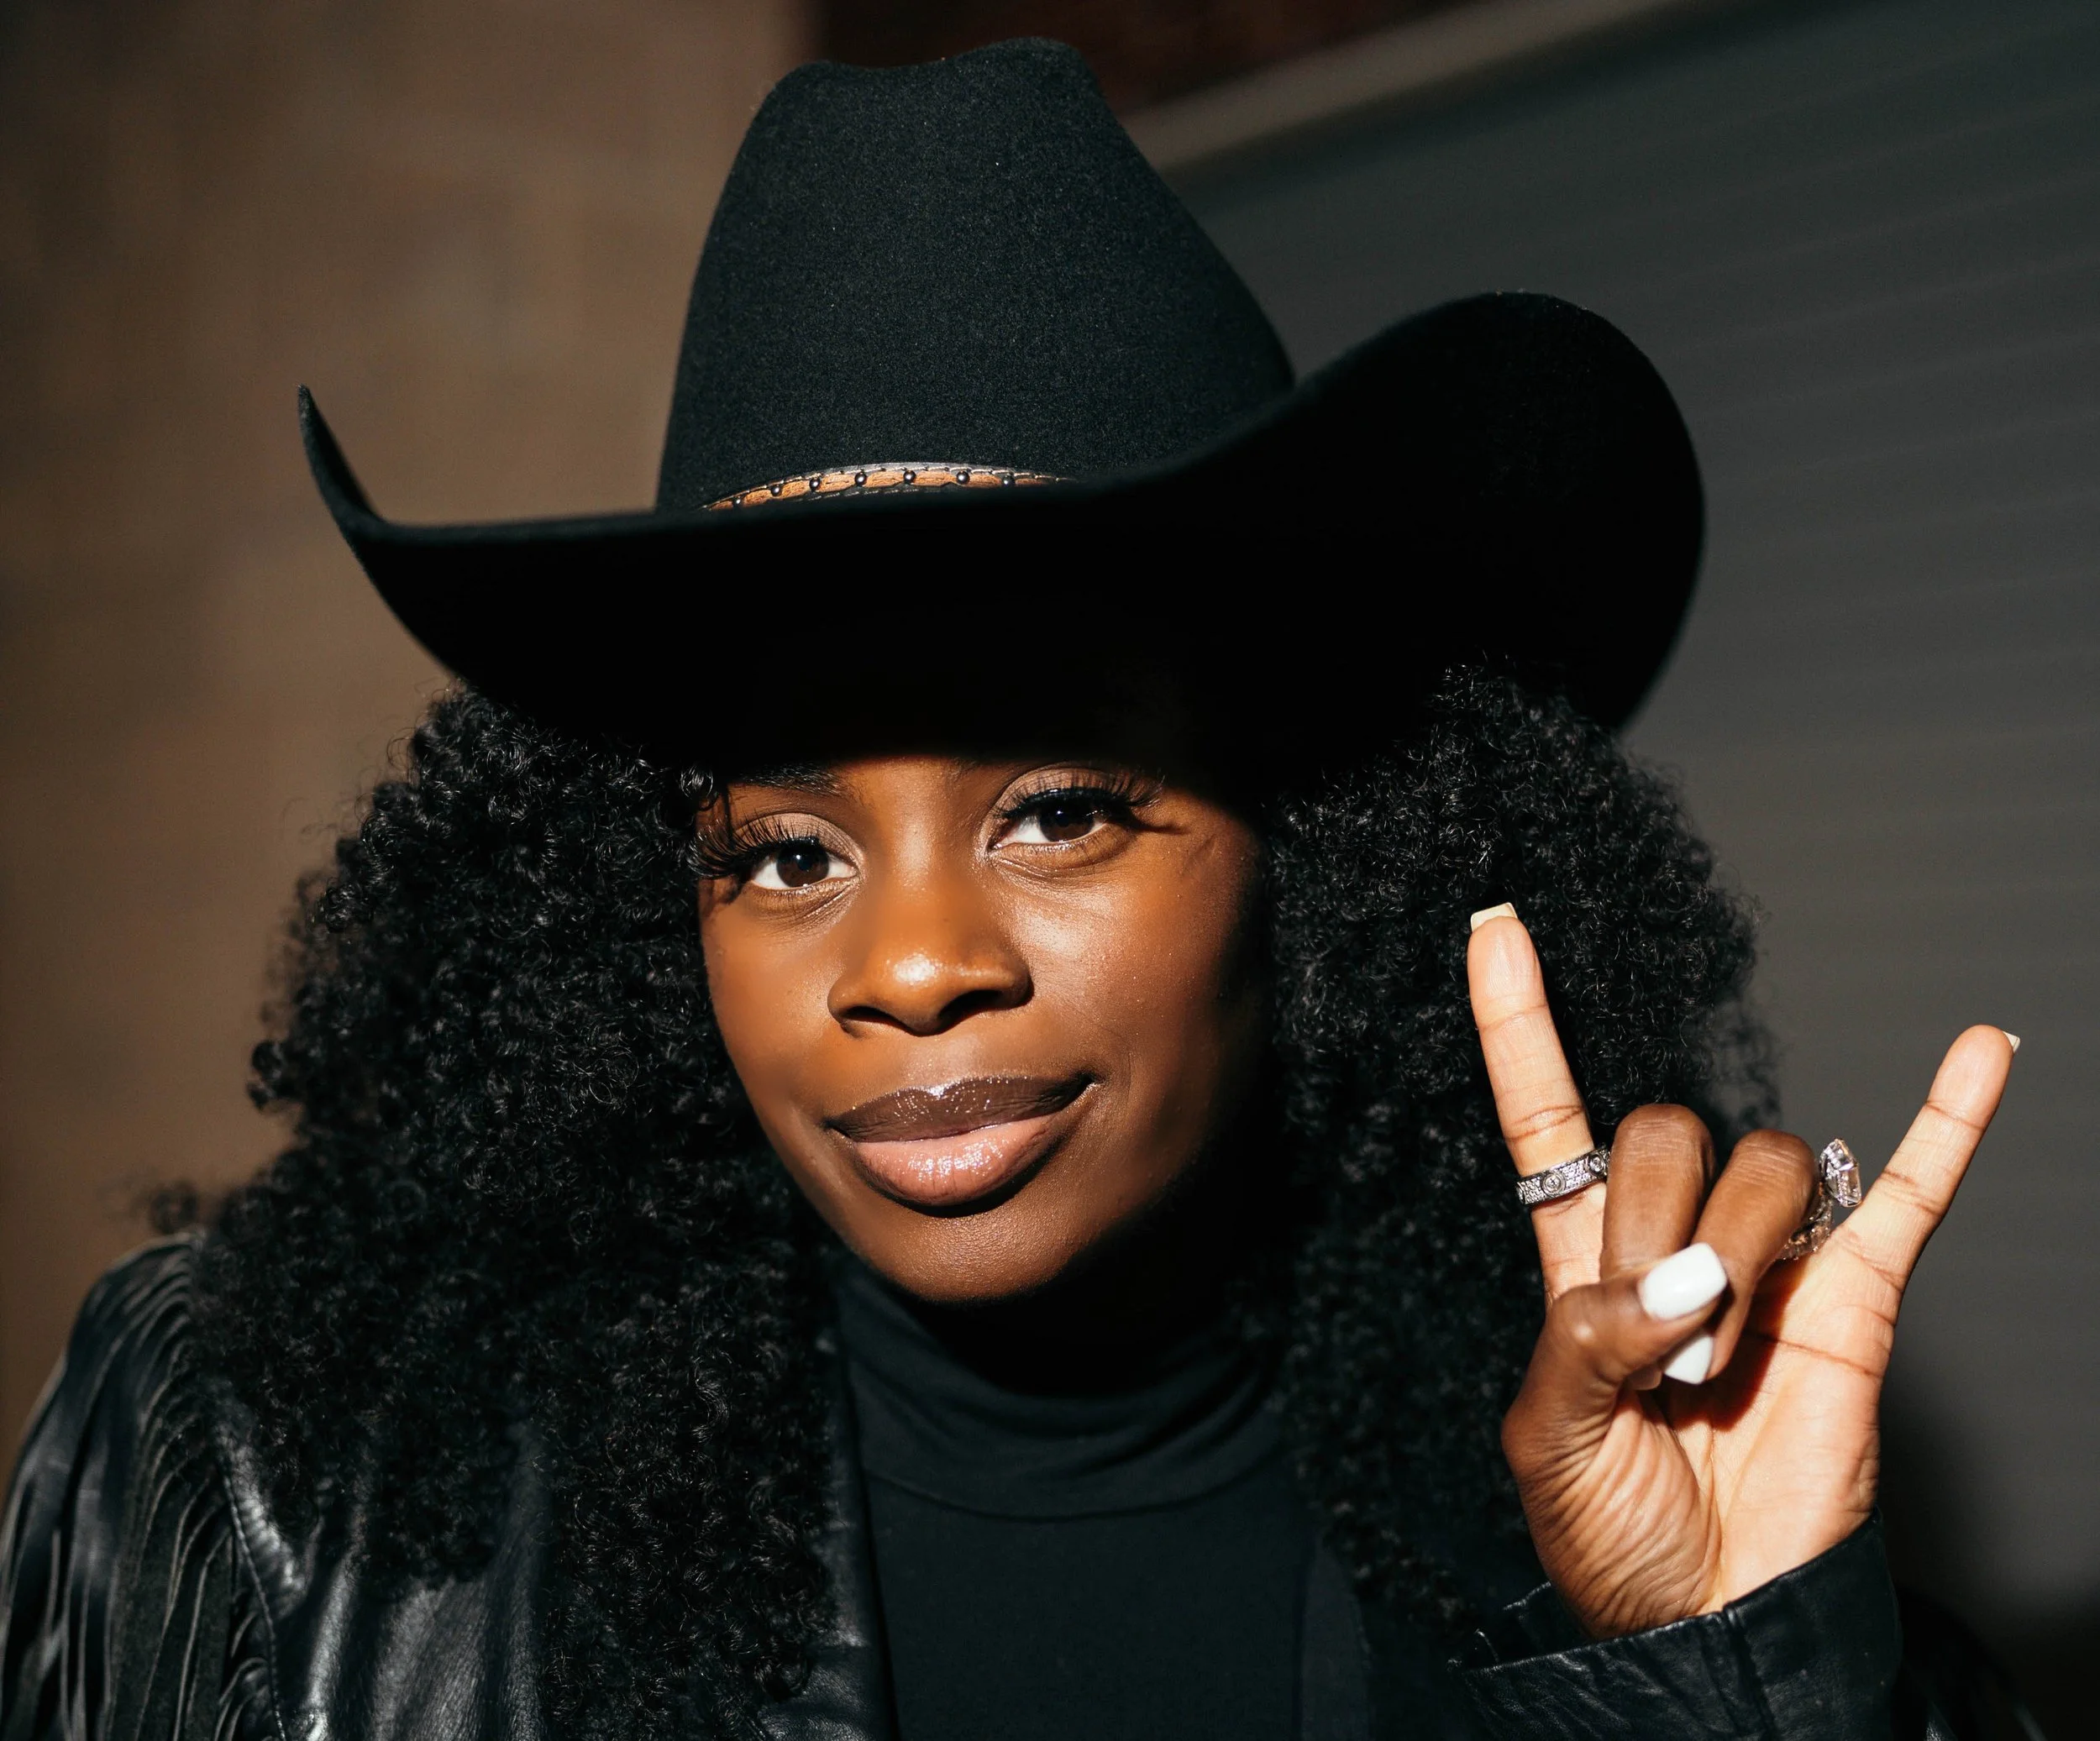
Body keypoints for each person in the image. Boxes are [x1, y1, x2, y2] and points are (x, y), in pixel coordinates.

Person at [0, 39, 2033, 1741]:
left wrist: (1729, 1680)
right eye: (785, 852)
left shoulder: (1576, 1513)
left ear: (1313, 852)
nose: (903, 967)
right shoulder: (275, 1468)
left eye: (1056, 810)